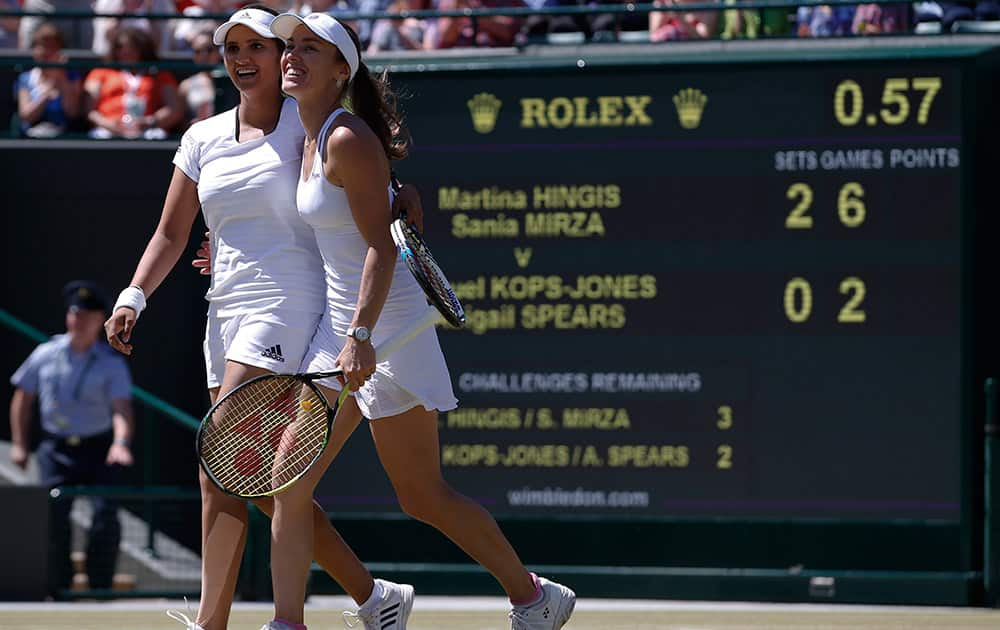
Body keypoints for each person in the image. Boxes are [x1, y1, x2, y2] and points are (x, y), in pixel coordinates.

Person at [103, 7, 424, 630]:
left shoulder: (307, 127)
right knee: (262, 479)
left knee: (217, 465)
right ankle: (372, 594)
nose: (244, 57)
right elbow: (172, 232)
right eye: (233, 47)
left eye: (260, 45)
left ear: (283, 59)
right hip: (223, 309)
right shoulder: (201, 138)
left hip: (289, 307)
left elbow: (367, 177)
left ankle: (213, 622)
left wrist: (403, 195)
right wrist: (133, 296)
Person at [264, 12, 576, 630]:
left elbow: (380, 249)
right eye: (288, 46)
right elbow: (362, 220)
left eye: (309, 48)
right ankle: (324, 613)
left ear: (339, 69)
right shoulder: (304, 136)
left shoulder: (346, 138)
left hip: (387, 327)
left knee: (419, 495)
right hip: (342, 326)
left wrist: (359, 337)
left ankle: (533, 596)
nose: (290, 57)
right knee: (288, 486)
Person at [9, 281, 135, 596]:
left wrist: (120, 443)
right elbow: (22, 400)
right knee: (54, 519)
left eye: (86, 314)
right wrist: (21, 444)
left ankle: (100, 588)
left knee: (105, 515)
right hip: (54, 448)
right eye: (73, 313)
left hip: (97, 447)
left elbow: (122, 408)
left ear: (99, 320)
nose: (77, 320)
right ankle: (57, 588)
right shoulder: (45, 353)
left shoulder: (110, 362)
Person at [84, 26, 184, 139]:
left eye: (132, 48)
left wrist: (150, 122)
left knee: (157, 136)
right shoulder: (100, 72)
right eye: (120, 47)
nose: (126, 52)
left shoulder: (160, 74)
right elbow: (89, 110)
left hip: (147, 129)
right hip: (108, 128)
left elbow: (174, 109)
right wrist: (107, 124)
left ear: (143, 49)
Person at [15, 22, 83, 138]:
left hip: (64, 138)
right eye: (41, 46)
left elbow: (72, 112)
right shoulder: (25, 78)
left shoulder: (72, 76)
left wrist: (61, 76)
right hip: (31, 138)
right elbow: (26, 115)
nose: (46, 52)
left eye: (51, 47)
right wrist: (47, 93)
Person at [178, 29, 222, 127]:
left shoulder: (234, 81)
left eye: (208, 50)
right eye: (197, 51)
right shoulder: (186, 86)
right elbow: (181, 122)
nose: (204, 55)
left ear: (218, 52)